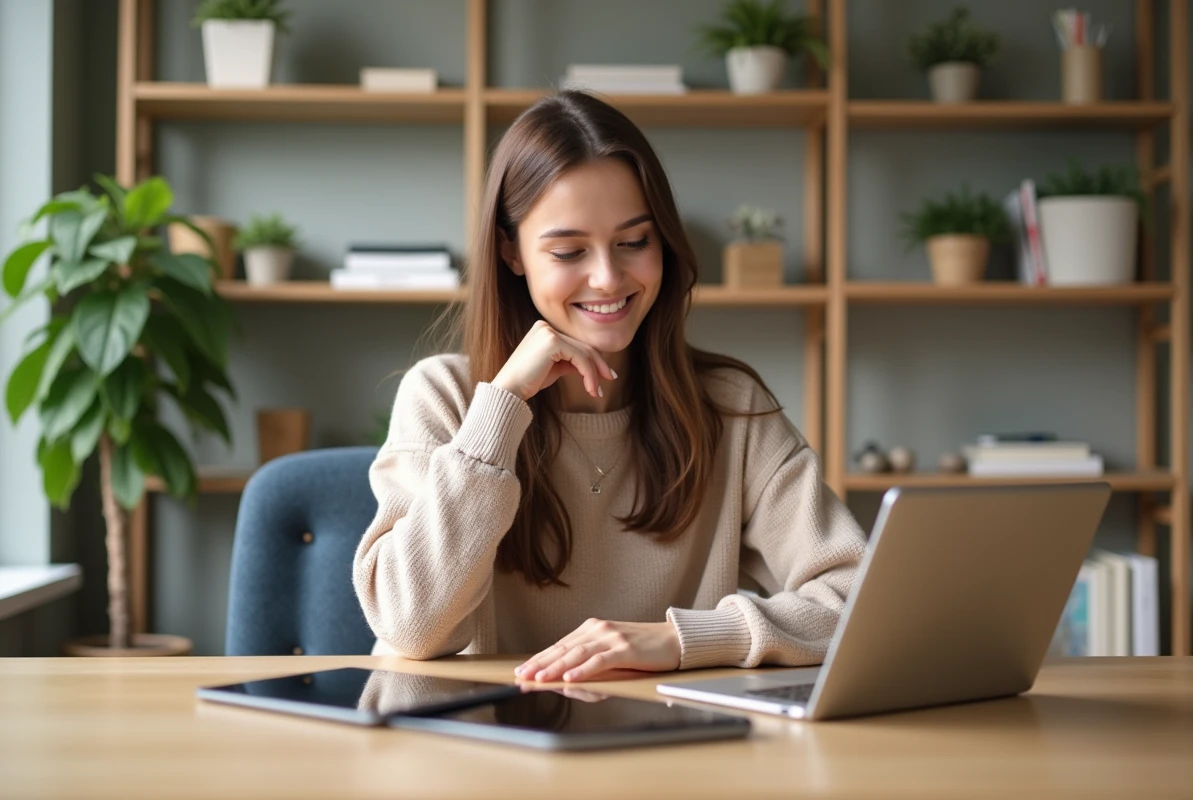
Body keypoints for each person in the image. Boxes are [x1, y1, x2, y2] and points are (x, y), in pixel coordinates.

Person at [353, 90, 866, 684]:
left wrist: (682, 639)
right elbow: (411, 627)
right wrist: (503, 404)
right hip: (486, 754)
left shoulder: (729, 408)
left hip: (671, 753)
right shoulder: (445, 396)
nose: (608, 278)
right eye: (569, 250)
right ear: (509, 251)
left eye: (634, 242)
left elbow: (859, 599)